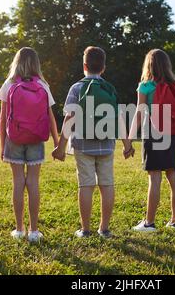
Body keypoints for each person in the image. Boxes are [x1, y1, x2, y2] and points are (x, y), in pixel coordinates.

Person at [52, 46, 134, 239]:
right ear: (103, 68)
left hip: (82, 145)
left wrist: (60, 147)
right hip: (106, 144)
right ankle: (104, 229)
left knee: (86, 185)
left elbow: (69, 119)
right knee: (107, 185)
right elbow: (119, 118)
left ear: (84, 66)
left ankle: (85, 229)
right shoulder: (109, 88)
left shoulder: (76, 88)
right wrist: (127, 144)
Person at [0, 47, 59, 243]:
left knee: (17, 182)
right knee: (33, 182)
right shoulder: (42, 84)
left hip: (14, 138)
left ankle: (19, 229)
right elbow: (50, 117)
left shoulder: (9, 83)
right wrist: (57, 142)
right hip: (36, 139)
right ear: (36, 64)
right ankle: (34, 231)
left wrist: (1, 145)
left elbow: (2, 118)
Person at [130, 49, 175, 233]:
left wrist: (129, 139)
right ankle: (174, 221)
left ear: (148, 65)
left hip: (153, 132)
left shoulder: (145, 86)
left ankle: (149, 223)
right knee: (173, 176)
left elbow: (139, 114)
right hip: (171, 134)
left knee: (154, 177)